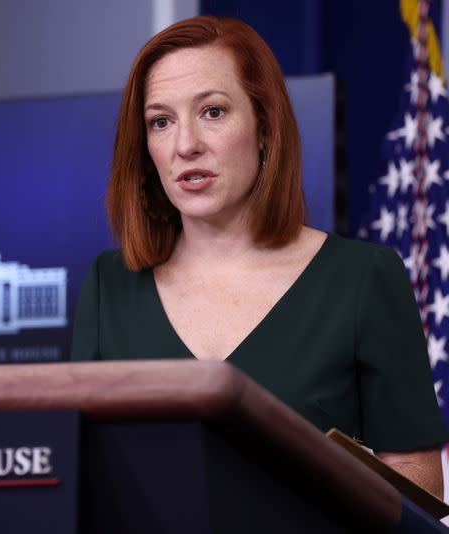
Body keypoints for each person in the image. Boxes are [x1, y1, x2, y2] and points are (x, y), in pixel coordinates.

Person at [71, 15, 447, 498]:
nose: (186, 145)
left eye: (213, 112)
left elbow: (421, 488)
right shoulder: (109, 286)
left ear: (264, 126)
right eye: (161, 122)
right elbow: (79, 473)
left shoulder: (362, 278)